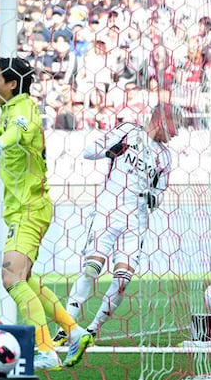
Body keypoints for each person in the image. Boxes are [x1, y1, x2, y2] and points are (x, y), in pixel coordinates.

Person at [0, 57, 93, 370]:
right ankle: (74, 332)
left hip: (29, 209)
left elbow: (16, 131)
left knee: (11, 279)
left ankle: (46, 350)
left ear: (12, 83)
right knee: (25, 279)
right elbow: (6, 126)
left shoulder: (24, 109)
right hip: (26, 209)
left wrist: (0, 144)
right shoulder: (12, 107)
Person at [54, 103, 181, 344]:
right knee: (91, 269)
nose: (177, 133)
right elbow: (89, 152)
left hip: (136, 221)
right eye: (176, 125)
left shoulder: (165, 157)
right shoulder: (127, 131)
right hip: (108, 210)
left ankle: (91, 331)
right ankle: (65, 329)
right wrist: (110, 151)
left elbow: (160, 193)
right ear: (162, 119)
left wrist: (154, 199)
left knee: (122, 280)